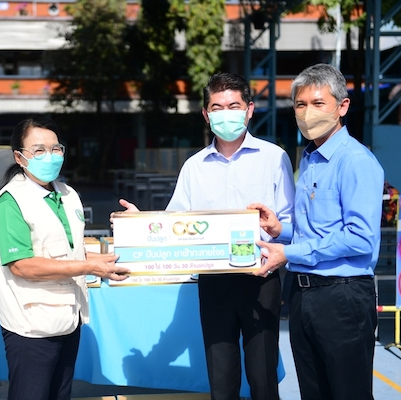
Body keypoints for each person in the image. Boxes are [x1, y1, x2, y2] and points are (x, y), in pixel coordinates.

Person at [117, 72, 295, 400]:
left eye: (234, 106)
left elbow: (289, 222)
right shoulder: (194, 167)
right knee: (221, 378)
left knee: (263, 377)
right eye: (217, 107)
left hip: (261, 279)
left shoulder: (274, 159)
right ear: (206, 114)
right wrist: (139, 226)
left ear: (249, 110)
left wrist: (278, 238)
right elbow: (174, 224)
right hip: (214, 282)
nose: (226, 114)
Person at [250, 63, 384, 400]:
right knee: (314, 392)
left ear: (342, 106)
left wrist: (289, 252)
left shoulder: (354, 161)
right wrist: (280, 230)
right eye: (300, 104)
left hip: (342, 296)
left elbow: (359, 237)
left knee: (348, 393)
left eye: (318, 103)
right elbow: (317, 229)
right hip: (303, 294)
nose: (308, 112)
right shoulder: (310, 159)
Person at [0, 116, 130, 400]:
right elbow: (22, 265)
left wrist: (110, 257)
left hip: (68, 318)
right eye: (39, 150)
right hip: (31, 326)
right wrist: (89, 266)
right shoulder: (11, 201)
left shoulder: (68, 194)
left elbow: (71, 250)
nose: (50, 156)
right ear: (19, 157)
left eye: (55, 149)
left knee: (60, 394)